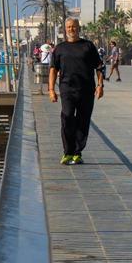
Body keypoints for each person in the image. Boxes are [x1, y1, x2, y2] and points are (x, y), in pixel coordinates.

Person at [47, 18, 105, 166]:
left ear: (79, 28)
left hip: (86, 90)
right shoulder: (60, 48)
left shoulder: (88, 46)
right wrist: (51, 90)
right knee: (66, 120)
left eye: (74, 26)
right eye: (68, 27)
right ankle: (67, 152)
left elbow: (98, 67)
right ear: (65, 29)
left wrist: (100, 85)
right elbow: (53, 69)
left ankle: (77, 153)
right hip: (67, 90)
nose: (71, 29)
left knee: (83, 122)